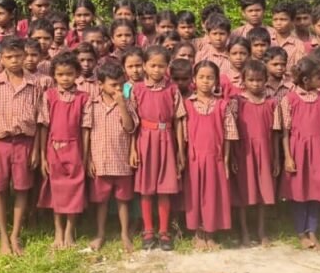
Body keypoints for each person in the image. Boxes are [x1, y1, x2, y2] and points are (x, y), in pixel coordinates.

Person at [0, 35, 44, 256]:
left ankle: (16, 234)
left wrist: (36, 150)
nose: (14, 60)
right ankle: (3, 238)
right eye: (9, 57)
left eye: (18, 56)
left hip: (25, 142)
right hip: (1, 143)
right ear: (1, 58)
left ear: (24, 56)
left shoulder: (35, 84)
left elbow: (40, 120)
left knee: (22, 188)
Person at [278, 56, 320, 250]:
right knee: (299, 191)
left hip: (319, 149)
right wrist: (288, 157)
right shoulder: (289, 99)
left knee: (316, 191)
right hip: (298, 150)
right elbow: (285, 132)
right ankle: (300, 232)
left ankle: (312, 230)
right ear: (306, 79)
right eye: (318, 77)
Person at [132, 46, 186, 251]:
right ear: (145, 66)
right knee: (146, 188)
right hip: (145, 139)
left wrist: (180, 151)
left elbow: (179, 120)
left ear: (167, 67)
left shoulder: (172, 89)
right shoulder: (137, 89)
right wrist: (132, 149)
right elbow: (133, 124)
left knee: (165, 187)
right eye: (152, 65)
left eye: (161, 66)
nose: (156, 70)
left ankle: (164, 231)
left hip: (167, 139)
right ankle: (148, 230)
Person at [37, 53, 90, 249]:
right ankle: (58, 231)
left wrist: (85, 156)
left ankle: (70, 230)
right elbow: (43, 126)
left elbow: (86, 128)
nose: (65, 78)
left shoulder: (84, 97)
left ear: (77, 74)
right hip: (54, 148)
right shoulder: (49, 95)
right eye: (60, 74)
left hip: (75, 148)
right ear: (54, 75)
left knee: (74, 190)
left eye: (69, 74)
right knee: (56, 190)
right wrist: (43, 156)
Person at [182, 60, 237, 250]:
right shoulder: (187, 104)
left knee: (213, 195)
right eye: (201, 77)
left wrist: (226, 160)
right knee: (195, 194)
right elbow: (182, 134)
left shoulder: (222, 105)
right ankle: (198, 234)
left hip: (216, 158)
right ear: (194, 79)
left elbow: (229, 134)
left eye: (210, 77)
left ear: (216, 81)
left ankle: (211, 233)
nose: (205, 81)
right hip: (194, 158)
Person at [84, 62, 138, 252]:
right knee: (102, 201)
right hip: (100, 160)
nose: (118, 89)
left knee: (123, 200)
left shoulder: (127, 102)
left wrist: (122, 104)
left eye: (120, 84)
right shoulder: (92, 104)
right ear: (100, 85)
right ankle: (100, 233)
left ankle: (124, 234)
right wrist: (88, 159)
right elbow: (87, 131)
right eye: (113, 85)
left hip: (121, 159)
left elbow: (130, 127)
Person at [232, 60, 278, 245]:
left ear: (266, 80)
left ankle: (261, 230)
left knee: (264, 191)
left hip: (266, 151)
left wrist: (276, 158)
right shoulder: (237, 102)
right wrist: (233, 156)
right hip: (244, 152)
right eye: (251, 80)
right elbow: (231, 131)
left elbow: (276, 133)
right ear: (243, 81)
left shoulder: (272, 102)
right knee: (244, 190)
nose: (255, 84)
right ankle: (243, 231)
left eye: (259, 80)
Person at [269, 2, 305, 75]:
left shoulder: (299, 45)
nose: (278, 23)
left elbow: (299, 70)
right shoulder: (267, 40)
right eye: (275, 19)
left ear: (292, 21)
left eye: (283, 19)